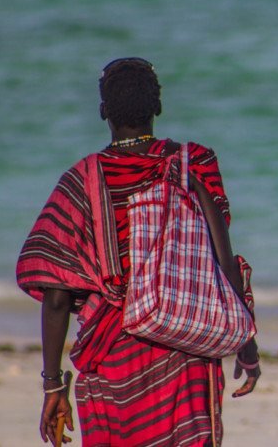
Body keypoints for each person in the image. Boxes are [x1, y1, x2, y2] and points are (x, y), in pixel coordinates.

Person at [16, 57, 260, 446]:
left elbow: (57, 295)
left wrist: (51, 385)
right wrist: (246, 346)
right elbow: (223, 266)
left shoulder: (82, 181)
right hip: (187, 348)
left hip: (112, 357)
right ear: (157, 107)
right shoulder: (194, 164)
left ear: (102, 112)